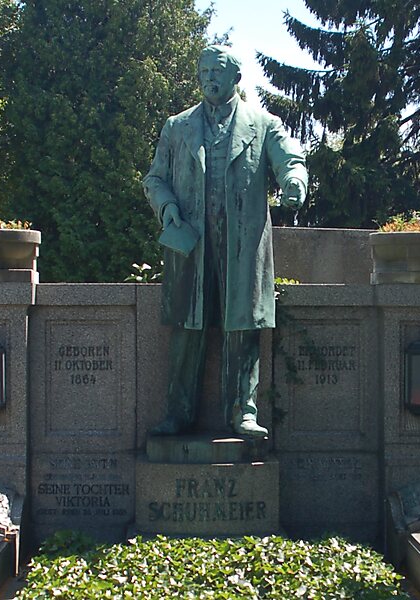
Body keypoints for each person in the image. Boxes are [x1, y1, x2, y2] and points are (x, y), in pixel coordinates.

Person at [143, 45, 308, 438]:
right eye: (203, 72)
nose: (209, 78)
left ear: (236, 77)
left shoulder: (263, 123)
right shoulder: (177, 126)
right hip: (192, 244)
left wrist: (294, 182)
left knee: (242, 328)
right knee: (187, 327)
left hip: (242, 245)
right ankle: (178, 414)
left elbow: (291, 160)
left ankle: (243, 412)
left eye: (216, 71)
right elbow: (155, 179)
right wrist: (167, 207)